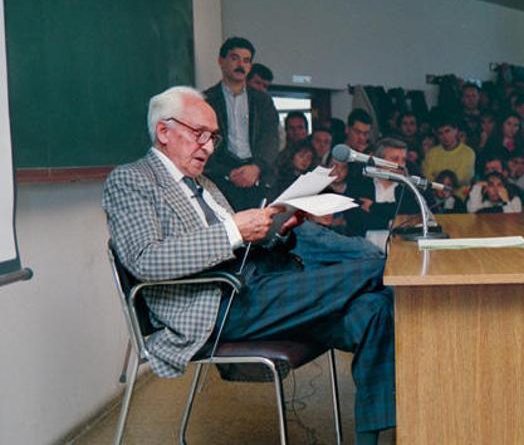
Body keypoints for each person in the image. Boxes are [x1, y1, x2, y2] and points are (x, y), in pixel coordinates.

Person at [102, 86, 395, 443]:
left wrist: (278, 229)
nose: (209, 147)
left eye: (213, 137)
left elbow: (243, 244)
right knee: (381, 272)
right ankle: (395, 275)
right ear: (164, 131)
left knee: (374, 309)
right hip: (217, 306)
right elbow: (146, 259)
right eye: (199, 135)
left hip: (258, 285)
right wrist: (233, 230)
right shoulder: (131, 180)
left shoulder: (204, 184)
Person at [203, 37, 280, 211]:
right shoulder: (207, 100)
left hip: (257, 176)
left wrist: (257, 167)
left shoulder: (262, 100)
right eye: (234, 58)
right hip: (220, 179)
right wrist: (226, 172)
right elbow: (202, 142)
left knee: (260, 231)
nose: (241, 64)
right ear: (221, 61)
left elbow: (271, 139)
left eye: (246, 60)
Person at [345, 138, 432, 236]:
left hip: (402, 246)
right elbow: (356, 220)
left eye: (403, 160)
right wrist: (390, 223)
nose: (400, 165)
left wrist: (374, 207)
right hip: (365, 246)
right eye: (395, 159)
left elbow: (411, 216)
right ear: (378, 161)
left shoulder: (409, 189)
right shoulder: (360, 185)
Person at [421, 116, 475, 196]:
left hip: (460, 198)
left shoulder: (468, 153)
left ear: (456, 130)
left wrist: (438, 181)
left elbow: (459, 179)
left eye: (447, 131)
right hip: (435, 197)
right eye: (440, 133)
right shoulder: (431, 153)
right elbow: (427, 178)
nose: (445, 136)